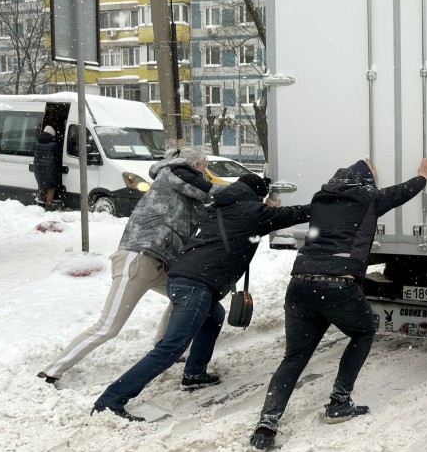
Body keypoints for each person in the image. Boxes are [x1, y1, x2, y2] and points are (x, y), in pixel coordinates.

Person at [248, 156, 427, 452]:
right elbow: (401, 192)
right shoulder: (369, 197)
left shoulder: (321, 200)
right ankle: (339, 401)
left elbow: (294, 213)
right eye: (373, 174)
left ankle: (266, 427)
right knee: (363, 332)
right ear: (365, 180)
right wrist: (423, 177)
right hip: (337, 284)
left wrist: (270, 212)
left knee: (294, 357)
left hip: (300, 284)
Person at [91, 174, 311, 421]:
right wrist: (328, 205)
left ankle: (195, 373)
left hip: (181, 276)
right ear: (257, 194)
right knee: (170, 348)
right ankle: (110, 399)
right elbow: (294, 215)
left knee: (214, 315)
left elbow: (254, 220)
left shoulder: (221, 205)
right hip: (196, 284)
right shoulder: (251, 209)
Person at [38, 147, 215, 386]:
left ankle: (164, 347)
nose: (206, 172)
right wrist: (241, 191)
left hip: (159, 262)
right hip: (138, 259)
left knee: (185, 296)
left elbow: (209, 203)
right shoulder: (174, 173)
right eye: (204, 166)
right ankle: (52, 370)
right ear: (195, 165)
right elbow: (212, 191)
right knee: (108, 326)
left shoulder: (187, 187)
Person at [33, 125, 63, 208]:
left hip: (38, 169)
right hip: (50, 170)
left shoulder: (37, 142)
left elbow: (35, 153)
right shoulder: (54, 144)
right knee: (51, 189)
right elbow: (58, 158)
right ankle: (48, 206)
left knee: (42, 186)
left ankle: (40, 205)